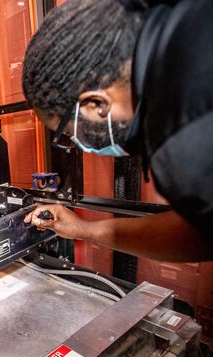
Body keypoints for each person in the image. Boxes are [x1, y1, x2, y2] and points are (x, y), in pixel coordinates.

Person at [21, 0, 212, 262]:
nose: (77, 142)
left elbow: (201, 237)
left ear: (96, 104)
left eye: (67, 131)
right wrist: (83, 229)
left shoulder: (182, 141)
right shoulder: (178, 19)